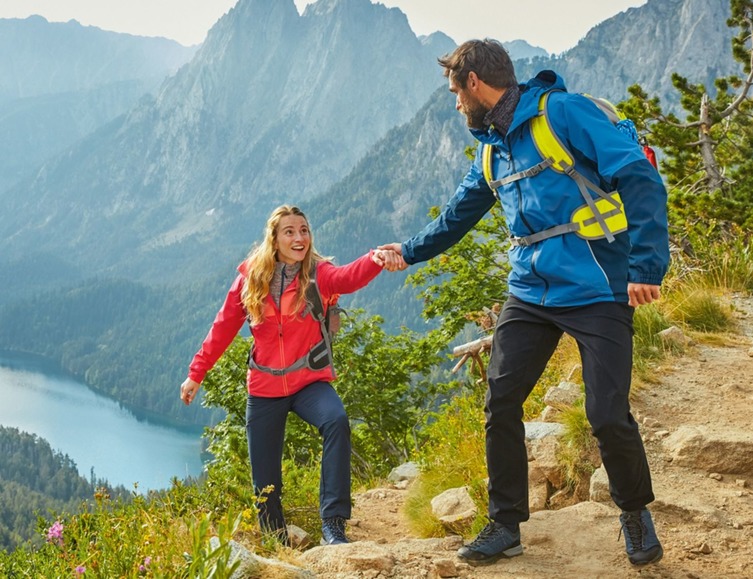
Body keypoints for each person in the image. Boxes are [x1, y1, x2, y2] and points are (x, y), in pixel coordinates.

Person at [379, 39, 669, 566]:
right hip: (531, 293)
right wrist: (410, 251)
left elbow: (640, 178)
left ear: (473, 84)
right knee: (501, 401)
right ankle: (506, 522)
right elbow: (457, 215)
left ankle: (634, 511)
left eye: (454, 92)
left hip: (598, 285)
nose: (455, 104)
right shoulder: (493, 148)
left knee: (606, 414)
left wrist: (646, 267)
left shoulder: (562, 113)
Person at [180, 205, 398, 546]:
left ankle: (333, 524)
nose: (299, 237)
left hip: (308, 382)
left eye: (304, 230)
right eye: (290, 231)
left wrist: (376, 258)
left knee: (336, 421)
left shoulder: (318, 275)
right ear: (274, 239)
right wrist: (197, 374)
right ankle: (276, 541)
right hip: (265, 388)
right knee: (265, 480)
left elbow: (348, 277)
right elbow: (222, 328)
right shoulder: (250, 279)